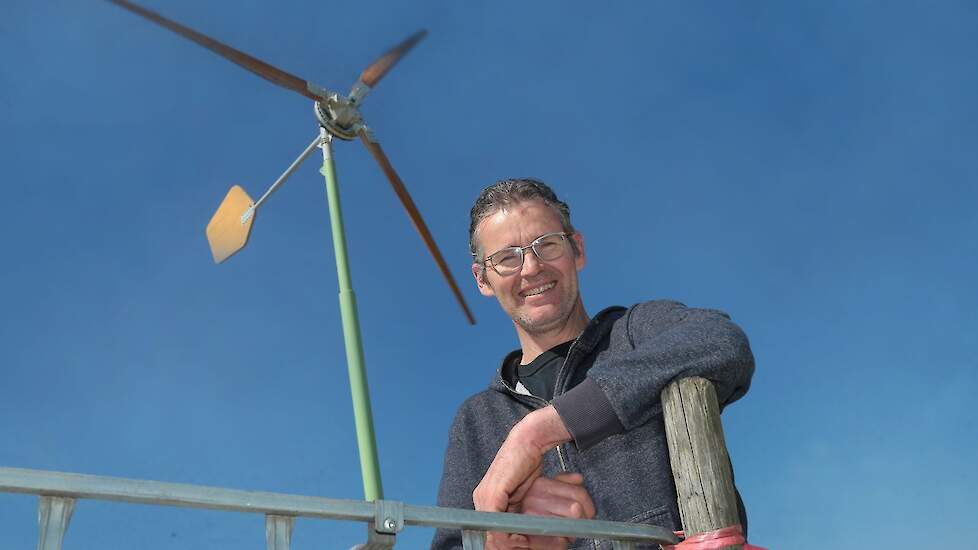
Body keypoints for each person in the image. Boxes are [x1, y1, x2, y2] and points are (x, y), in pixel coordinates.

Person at [431, 179, 755, 550]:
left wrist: (539, 430)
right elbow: (453, 543)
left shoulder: (637, 332)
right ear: (482, 280)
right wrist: (501, 544)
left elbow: (720, 340)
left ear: (577, 249)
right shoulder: (476, 421)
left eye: (546, 244)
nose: (532, 267)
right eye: (507, 258)